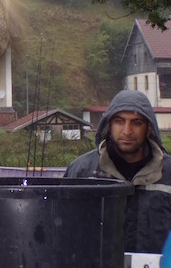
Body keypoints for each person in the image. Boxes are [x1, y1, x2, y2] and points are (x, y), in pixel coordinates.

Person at [65, 89, 171, 254]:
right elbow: (64, 232)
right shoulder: (82, 171)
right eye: (119, 121)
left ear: (149, 128)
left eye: (136, 123)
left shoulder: (168, 173)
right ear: (109, 125)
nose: (127, 131)